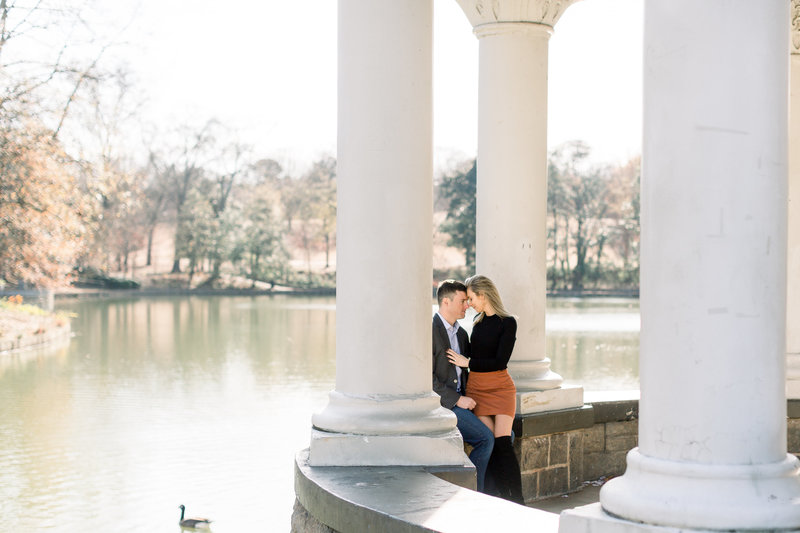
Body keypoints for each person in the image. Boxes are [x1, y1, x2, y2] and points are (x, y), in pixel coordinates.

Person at [448, 274, 524, 504]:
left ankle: (518, 501)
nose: (469, 303)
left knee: (503, 442)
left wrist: (467, 362)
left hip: (501, 389)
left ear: (483, 295)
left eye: (471, 298)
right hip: (478, 390)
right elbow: (470, 354)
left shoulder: (508, 322)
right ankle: (500, 499)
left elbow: (500, 361)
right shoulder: (477, 323)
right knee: (490, 442)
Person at [432, 279, 495, 493]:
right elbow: (426, 379)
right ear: (446, 302)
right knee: (485, 438)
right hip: (445, 404)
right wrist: (458, 399)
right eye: (462, 301)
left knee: (506, 436)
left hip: (466, 400)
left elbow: (469, 372)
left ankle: (492, 492)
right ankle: (474, 493)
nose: (467, 306)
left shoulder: (461, 334)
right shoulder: (429, 330)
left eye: (468, 301)